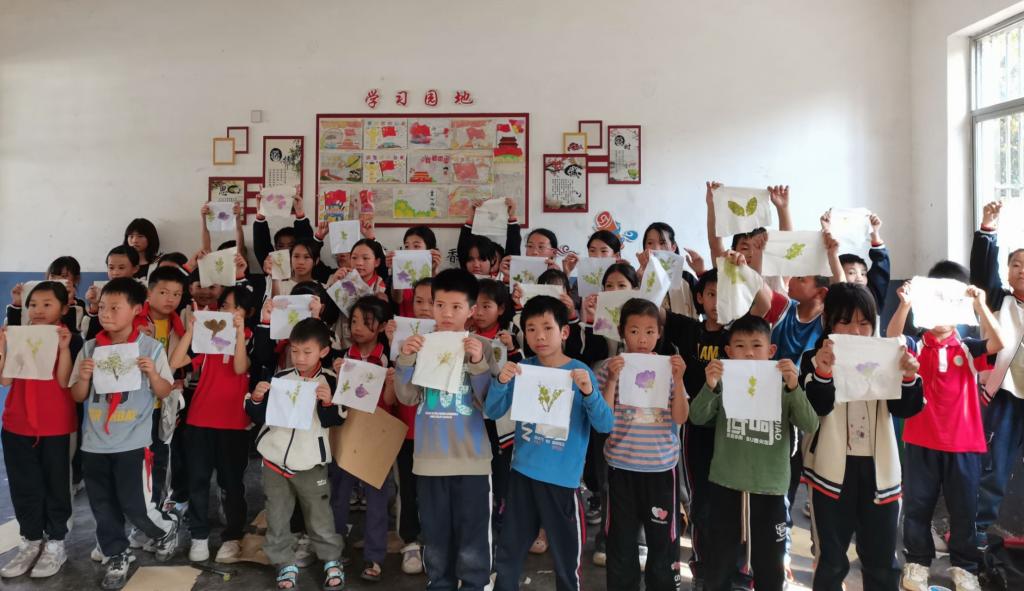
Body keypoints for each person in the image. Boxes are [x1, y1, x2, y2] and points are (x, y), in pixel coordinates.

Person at [800, 283, 923, 590]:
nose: (855, 331)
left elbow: (906, 408)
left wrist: (909, 376)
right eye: (845, 321)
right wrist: (824, 371)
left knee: (882, 561)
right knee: (830, 560)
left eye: (864, 323)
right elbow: (815, 408)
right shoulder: (814, 359)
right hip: (830, 472)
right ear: (828, 321)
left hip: (880, 472)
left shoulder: (887, 356)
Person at [887, 270, 1004, 591]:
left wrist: (981, 305)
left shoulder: (968, 348)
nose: (940, 316)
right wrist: (905, 305)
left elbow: (999, 343)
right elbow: (891, 338)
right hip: (920, 440)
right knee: (917, 506)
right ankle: (917, 561)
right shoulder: (915, 345)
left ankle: (964, 566)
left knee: (964, 509)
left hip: (964, 444)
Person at [486, 295, 613, 591]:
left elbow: (605, 424)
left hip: (562, 481)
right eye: (531, 329)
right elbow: (492, 411)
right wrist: (501, 382)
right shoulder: (522, 369)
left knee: (567, 558)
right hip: (522, 475)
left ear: (564, 332)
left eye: (547, 328)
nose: (539, 336)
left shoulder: (580, 372)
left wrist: (589, 393)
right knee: (509, 551)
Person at [689, 314, 819, 591]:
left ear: (771, 350)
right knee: (719, 563)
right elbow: (697, 417)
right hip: (726, 484)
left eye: (757, 345)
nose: (748, 352)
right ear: (728, 351)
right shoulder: (723, 383)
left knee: (770, 566)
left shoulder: (783, 384)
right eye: (740, 346)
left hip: (770, 488)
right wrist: (710, 385)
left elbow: (810, 423)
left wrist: (794, 386)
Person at [69, 278, 180, 589]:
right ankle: (117, 554)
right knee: (102, 507)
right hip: (94, 445)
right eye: (102, 307)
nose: (106, 313)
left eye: (115, 308)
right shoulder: (90, 348)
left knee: (136, 506)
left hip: (133, 444)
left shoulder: (150, 348)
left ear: (136, 310)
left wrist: (153, 373)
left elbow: (165, 390)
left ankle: (165, 529)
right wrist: (84, 377)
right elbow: (77, 395)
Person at [394, 268, 494, 591]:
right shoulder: (420, 345)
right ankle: (439, 583)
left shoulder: (484, 347)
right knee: (435, 536)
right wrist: (405, 360)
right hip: (430, 460)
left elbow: (491, 405)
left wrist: (478, 364)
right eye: (439, 305)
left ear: (471, 310)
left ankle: (475, 585)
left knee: (473, 537)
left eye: (456, 307)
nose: (446, 314)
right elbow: (407, 396)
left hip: (471, 460)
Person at [246, 318, 345, 591]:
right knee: (276, 514)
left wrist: (328, 402)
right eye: (295, 351)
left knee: (319, 515)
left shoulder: (331, 381)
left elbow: (336, 420)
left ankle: (331, 559)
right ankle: (284, 562)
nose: (300, 358)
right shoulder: (280, 378)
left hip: (311, 462)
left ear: (324, 351)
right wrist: (256, 398)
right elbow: (258, 415)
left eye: (307, 352)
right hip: (274, 460)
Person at [601, 298, 688, 590]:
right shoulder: (610, 368)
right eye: (634, 331)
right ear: (622, 332)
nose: (642, 339)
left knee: (662, 542)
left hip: (660, 469)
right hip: (621, 467)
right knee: (621, 541)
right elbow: (603, 420)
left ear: (659, 333)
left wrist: (680, 380)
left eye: (650, 331)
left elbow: (681, 417)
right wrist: (612, 380)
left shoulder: (669, 369)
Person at [0, 282, 82, 579]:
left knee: (56, 486)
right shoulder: (19, 335)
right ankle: (31, 540)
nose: (38, 310)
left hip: (55, 426)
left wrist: (63, 348)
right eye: (33, 304)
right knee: (24, 486)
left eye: (47, 304)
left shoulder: (69, 338)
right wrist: (4, 348)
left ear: (64, 308)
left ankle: (56, 543)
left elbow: (64, 382)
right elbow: (6, 380)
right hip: (17, 423)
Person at [168, 286, 255, 564]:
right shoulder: (208, 339)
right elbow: (174, 362)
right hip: (199, 421)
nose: (228, 311)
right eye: (225, 306)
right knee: (197, 481)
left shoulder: (251, 338)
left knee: (231, 484)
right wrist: (192, 332)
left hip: (233, 424)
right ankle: (199, 536)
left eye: (234, 307)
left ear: (246, 312)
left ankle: (232, 537)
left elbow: (240, 367)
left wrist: (238, 334)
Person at [328, 297, 396, 583]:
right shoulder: (344, 356)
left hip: (377, 434)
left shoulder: (387, 357)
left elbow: (391, 402)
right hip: (348, 430)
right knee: (339, 494)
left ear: (380, 327)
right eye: (354, 321)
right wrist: (336, 374)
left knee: (377, 499)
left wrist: (391, 381)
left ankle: (374, 556)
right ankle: (334, 551)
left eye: (366, 322)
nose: (357, 327)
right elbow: (336, 399)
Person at [970, 201, 1024, 547]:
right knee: (995, 467)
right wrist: (987, 228)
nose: (1021, 270)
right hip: (1004, 396)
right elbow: (981, 275)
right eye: (1016, 264)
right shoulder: (999, 301)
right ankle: (974, 530)